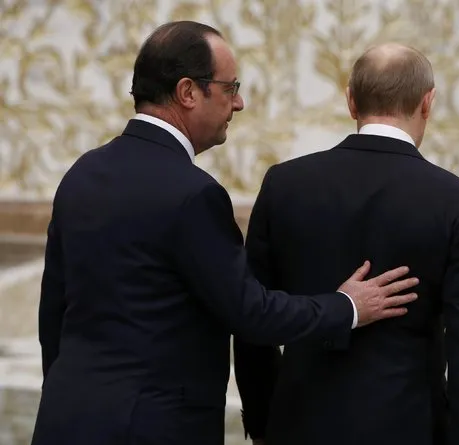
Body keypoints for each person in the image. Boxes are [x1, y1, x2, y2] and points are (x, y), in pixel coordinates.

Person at [30, 23, 420, 445]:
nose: (239, 102)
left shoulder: (82, 174)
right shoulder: (193, 195)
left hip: (65, 418)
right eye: (229, 87)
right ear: (188, 92)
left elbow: (54, 312)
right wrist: (347, 307)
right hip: (151, 427)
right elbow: (250, 313)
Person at [234, 43, 459, 445]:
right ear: (427, 103)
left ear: (351, 101)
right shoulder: (457, 202)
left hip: (298, 421)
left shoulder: (284, 185)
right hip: (405, 426)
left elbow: (252, 320)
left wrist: (264, 418)